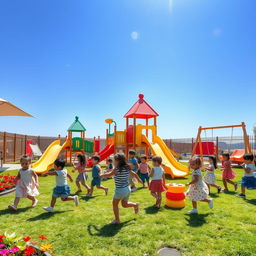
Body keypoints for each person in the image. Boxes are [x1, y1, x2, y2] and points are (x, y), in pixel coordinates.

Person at [100, 153, 142, 224]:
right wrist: (139, 179)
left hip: (120, 190)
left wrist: (102, 175)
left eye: (114, 160)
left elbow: (109, 175)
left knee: (114, 204)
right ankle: (135, 205)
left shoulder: (116, 169)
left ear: (118, 161)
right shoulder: (127, 168)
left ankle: (117, 220)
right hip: (127, 189)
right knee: (124, 205)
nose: (113, 162)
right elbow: (134, 174)